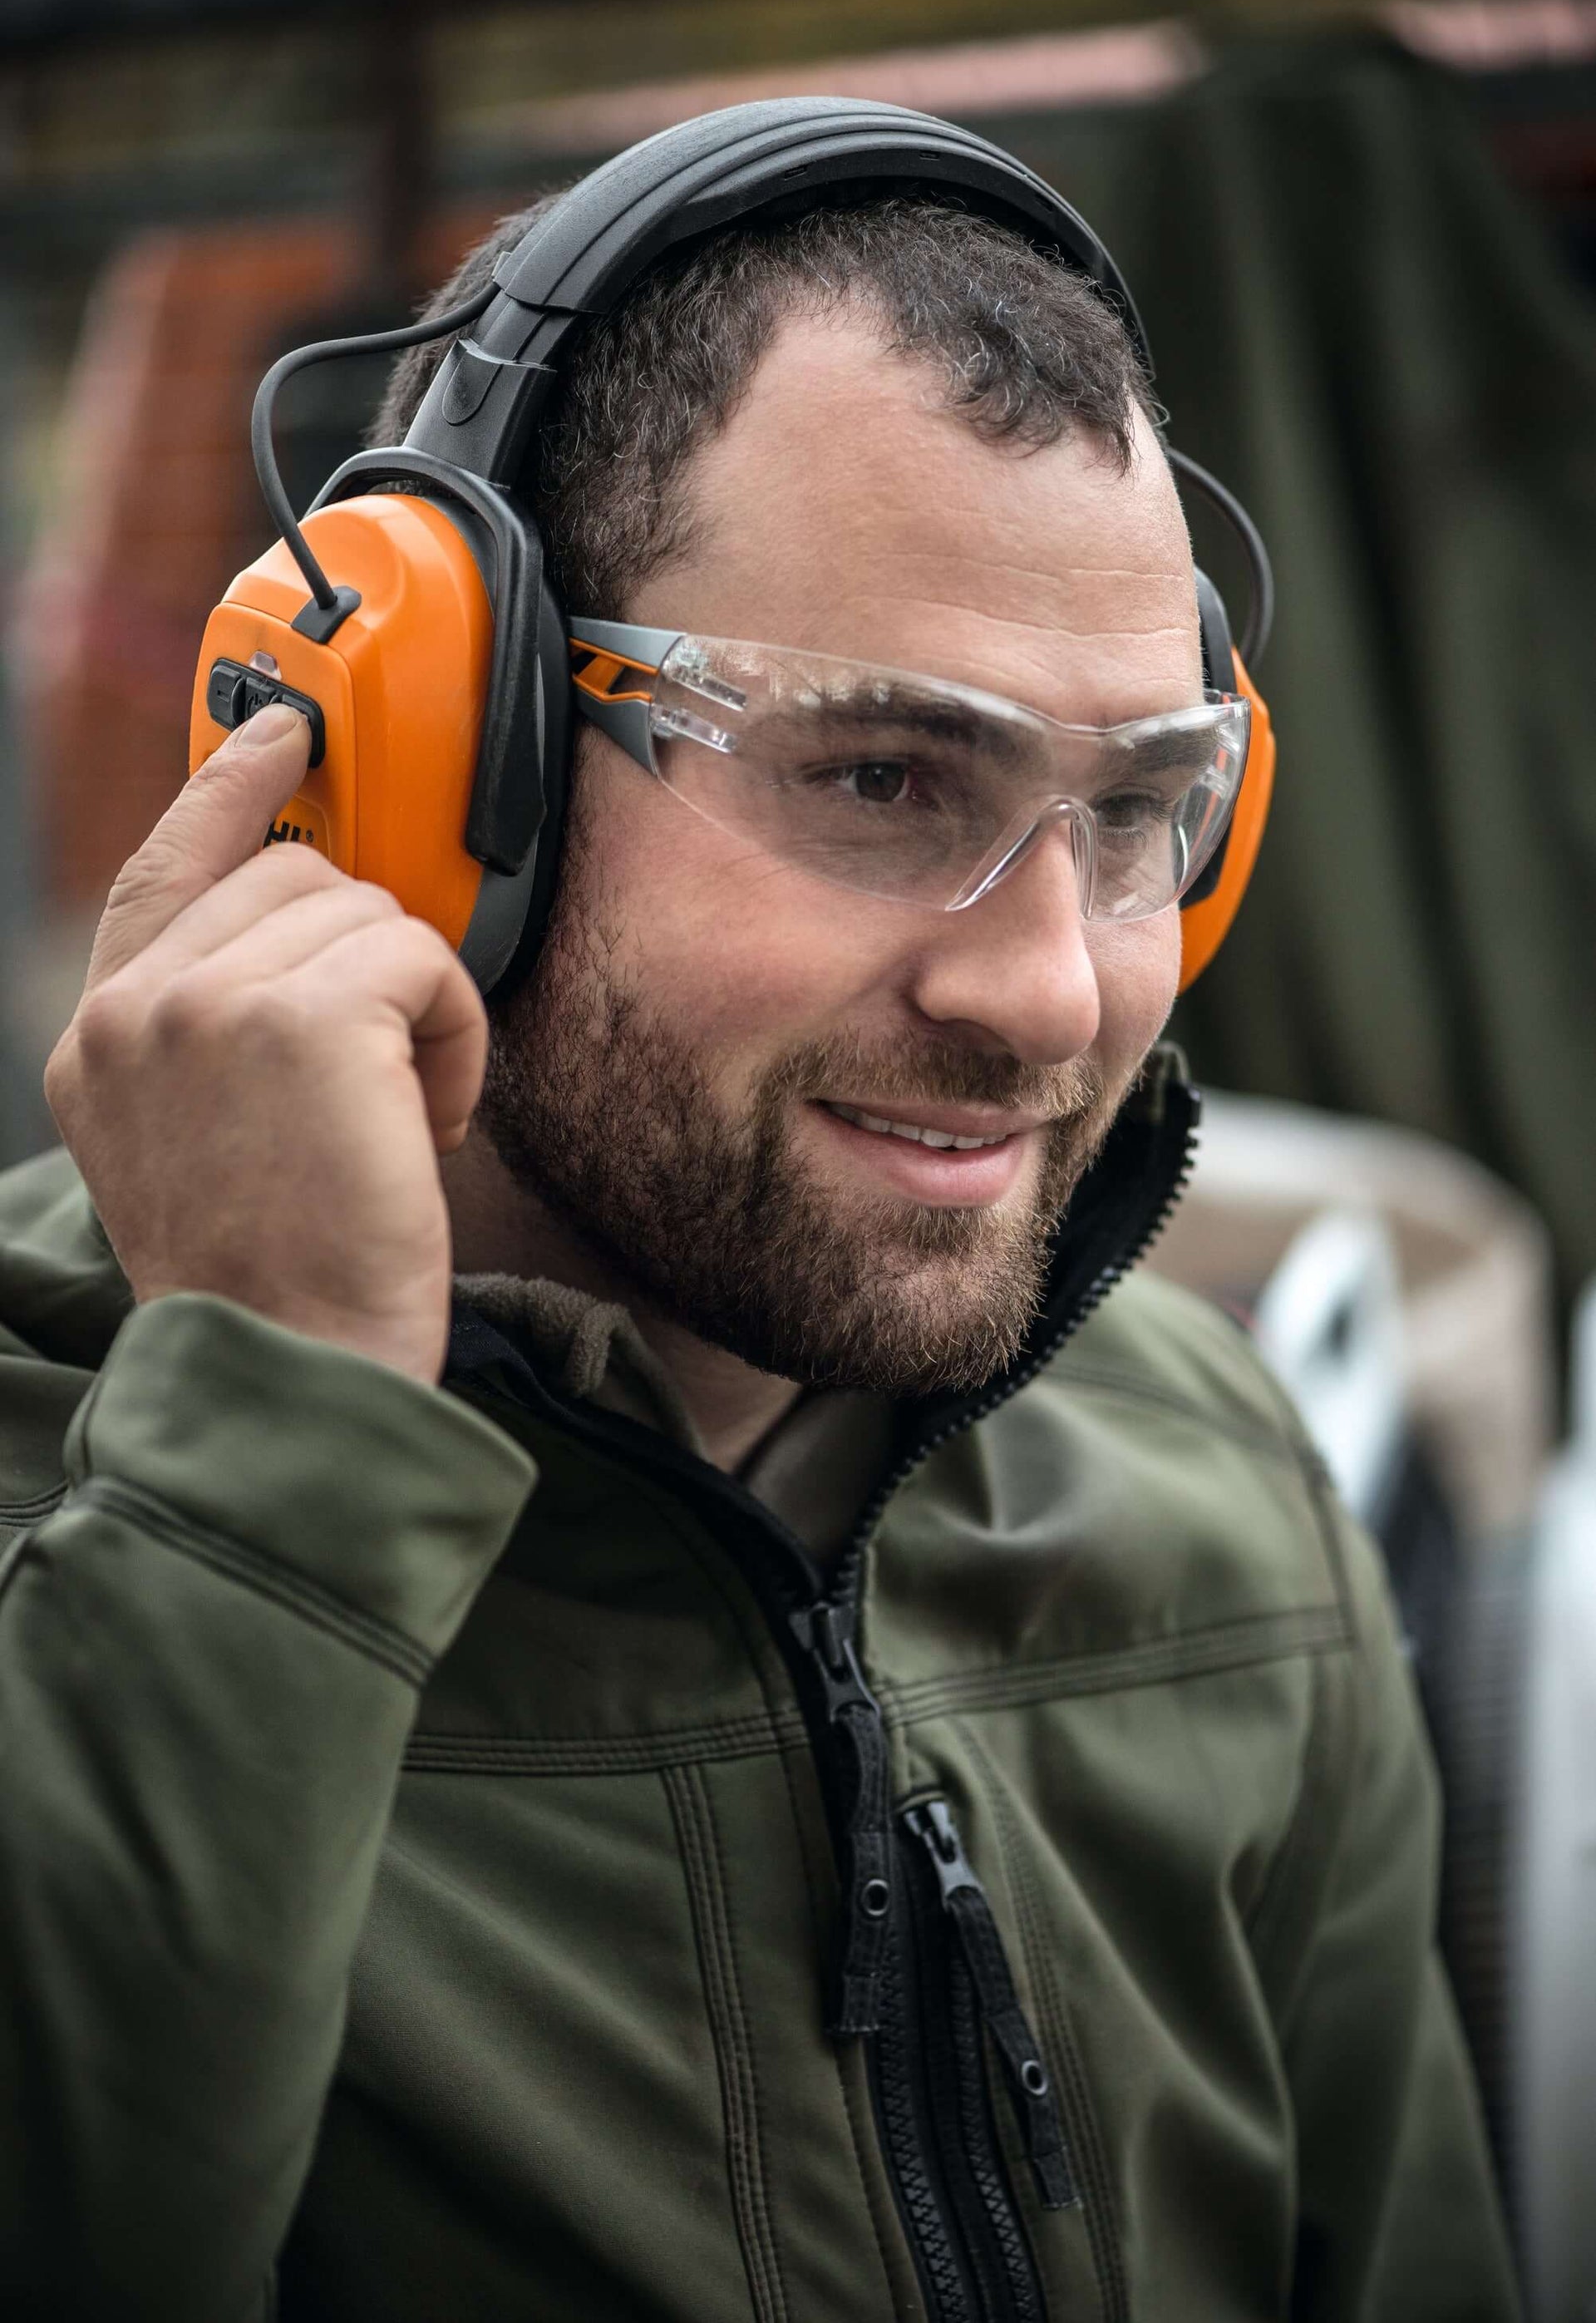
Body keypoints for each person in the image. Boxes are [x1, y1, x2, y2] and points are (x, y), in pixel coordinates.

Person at [0, 148, 1519, 2322]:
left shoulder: (1215, 1480)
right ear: (433, 760)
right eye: (885, 779)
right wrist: (268, 1465)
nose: (1055, 995)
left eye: (1133, 812)